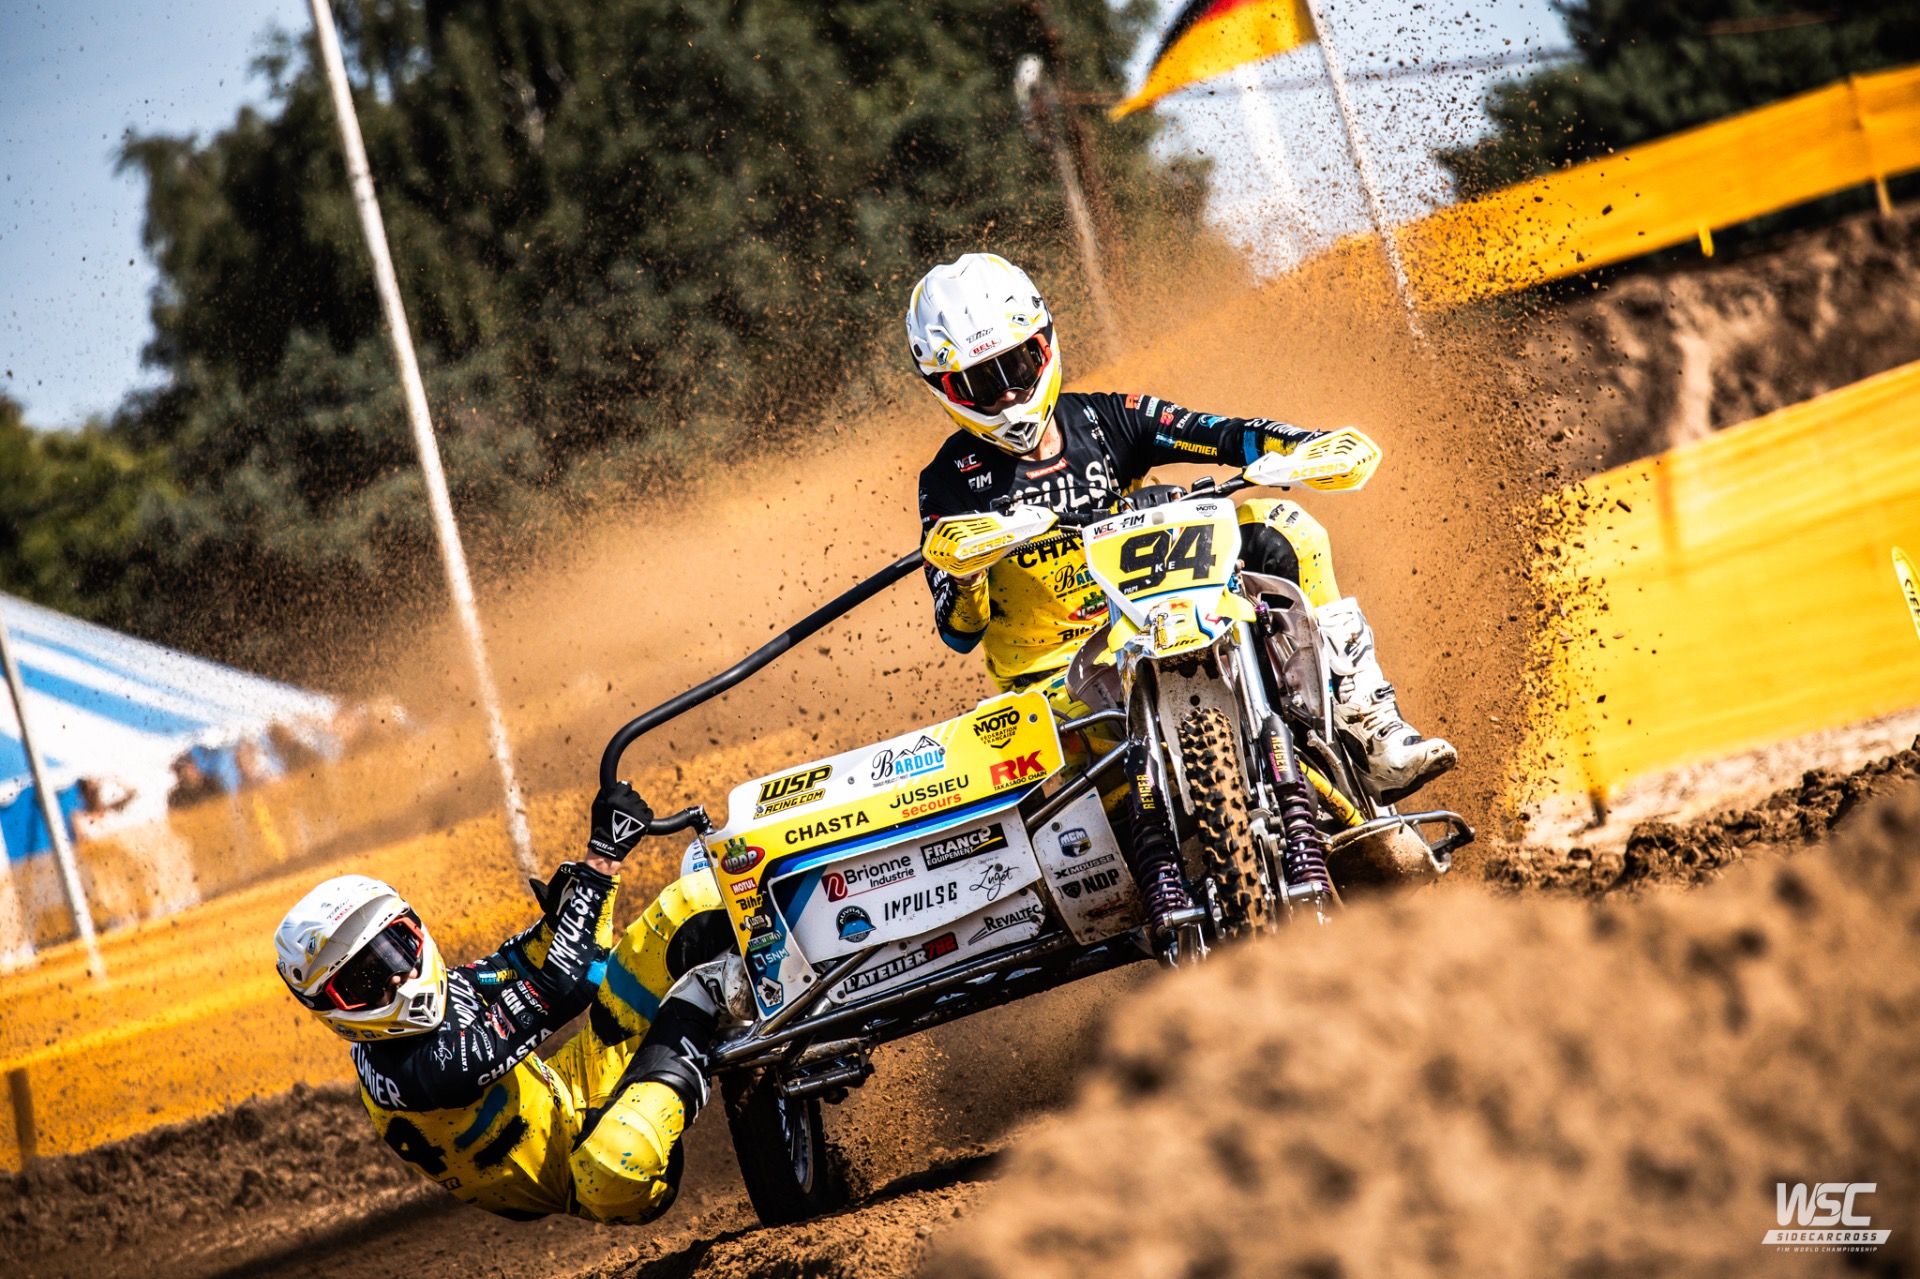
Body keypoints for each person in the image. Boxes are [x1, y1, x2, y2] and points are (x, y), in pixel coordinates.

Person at [906, 253, 1455, 935]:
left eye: (1019, 365)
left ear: (1044, 344)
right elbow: (957, 630)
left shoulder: (1105, 419)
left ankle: (1368, 723)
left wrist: (1304, 445)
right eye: (981, 384)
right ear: (945, 387)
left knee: (1283, 523)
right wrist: (963, 569)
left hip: (1161, 620)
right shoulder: (948, 483)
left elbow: (1222, 433)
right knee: (1021, 780)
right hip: (1056, 688)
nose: (1010, 394)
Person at [273, 784, 743, 1223]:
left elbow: (524, 963)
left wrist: (563, 915)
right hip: (581, 1171)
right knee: (614, 1163)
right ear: (330, 1007)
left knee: (692, 900)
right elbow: (565, 985)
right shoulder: (416, 1072)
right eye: (363, 982)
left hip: (572, 1087)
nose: (398, 977)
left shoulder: (440, 999)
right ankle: (708, 997)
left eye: (395, 948)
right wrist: (602, 859)